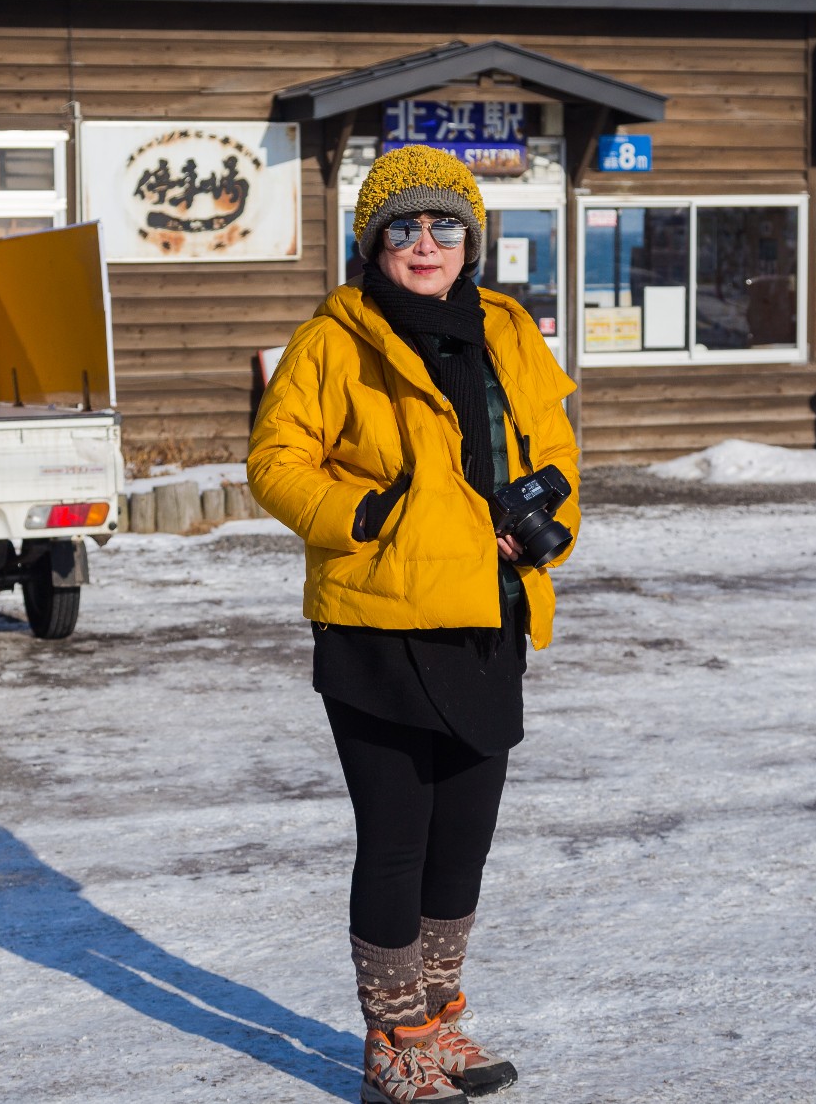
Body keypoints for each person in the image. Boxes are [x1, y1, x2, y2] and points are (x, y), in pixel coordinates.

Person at [249, 144, 580, 1103]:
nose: (425, 243)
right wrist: (359, 517)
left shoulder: (510, 330)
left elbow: (554, 448)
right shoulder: (334, 340)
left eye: (444, 226)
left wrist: (548, 524)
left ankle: (440, 1022)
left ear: (470, 239)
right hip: (377, 622)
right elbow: (275, 460)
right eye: (404, 226)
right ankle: (390, 1039)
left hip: (488, 615)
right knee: (397, 837)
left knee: (463, 841)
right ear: (374, 242)